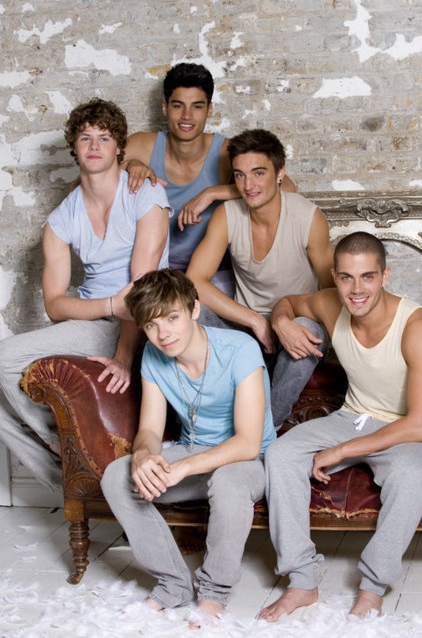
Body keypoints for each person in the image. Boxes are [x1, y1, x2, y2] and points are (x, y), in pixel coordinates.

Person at [259, 231, 422, 621]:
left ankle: (373, 587)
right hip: (352, 417)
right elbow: (288, 302)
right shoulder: (329, 302)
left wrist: (342, 450)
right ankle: (302, 581)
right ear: (334, 276)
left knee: (410, 479)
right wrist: (281, 321)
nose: (356, 290)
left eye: (368, 277)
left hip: (405, 429)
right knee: (280, 453)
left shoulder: (416, 324)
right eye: (346, 277)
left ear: (386, 275)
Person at [0, 98, 171, 493]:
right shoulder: (61, 220)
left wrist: (124, 358)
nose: (94, 145)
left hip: (144, 321)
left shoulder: (145, 195)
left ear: (119, 149)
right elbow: (55, 305)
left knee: (5, 358)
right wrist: (109, 305)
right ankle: (71, 464)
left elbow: (141, 293)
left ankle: (78, 465)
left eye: (104, 137)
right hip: (97, 319)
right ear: (74, 147)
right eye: (85, 137)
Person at [101, 269, 276, 627]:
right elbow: (149, 428)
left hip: (245, 461)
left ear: (194, 309)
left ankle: (213, 593)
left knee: (227, 482)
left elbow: (247, 442)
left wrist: (181, 467)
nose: (163, 333)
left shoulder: (240, 350)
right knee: (116, 476)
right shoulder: (154, 354)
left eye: (172, 318)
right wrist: (144, 456)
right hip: (192, 451)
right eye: (151, 325)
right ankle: (173, 584)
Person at [186, 128, 334, 428]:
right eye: (239, 175)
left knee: (306, 331)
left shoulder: (308, 218)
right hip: (249, 327)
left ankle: (265, 430)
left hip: (297, 321)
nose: (248, 185)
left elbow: (331, 292)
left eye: (258, 173)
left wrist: (283, 322)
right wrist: (255, 320)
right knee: (186, 314)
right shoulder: (227, 215)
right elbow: (194, 281)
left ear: (280, 174)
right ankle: (200, 422)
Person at [122, 62, 295, 296]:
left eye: (197, 106)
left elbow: (287, 188)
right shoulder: (142, 146)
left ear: (209, 110)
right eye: (178, 106)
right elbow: (86, 184)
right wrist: (128, 165)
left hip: (213, 273)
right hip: (154, 270)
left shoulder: (224, 152)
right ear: (165, 108)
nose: (186, 116)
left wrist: (214, 193)